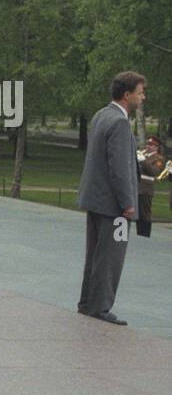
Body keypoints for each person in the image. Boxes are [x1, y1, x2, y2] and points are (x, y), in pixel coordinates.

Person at [77, 71, 145, 324]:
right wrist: (128, 203)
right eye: (140, 92)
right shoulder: (118, 122)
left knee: (94, 256)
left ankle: (87, 303)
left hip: (95, 201)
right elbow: (119, 168)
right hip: (114, 206)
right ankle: (100, 308)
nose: (143, 97)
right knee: (110, 259)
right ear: (127, 95)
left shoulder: (101, 115)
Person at [136, 134, 165, 238]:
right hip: (136, 187)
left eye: (151, 145)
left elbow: (154, 172)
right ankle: (138, 234)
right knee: (136, 213)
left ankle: (144, 235)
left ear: (156, 147)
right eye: (148, 144)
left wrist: (143, 161)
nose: (148, 146)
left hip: (145, 189)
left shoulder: (159, 158)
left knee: (144, 213)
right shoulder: (144, 154)